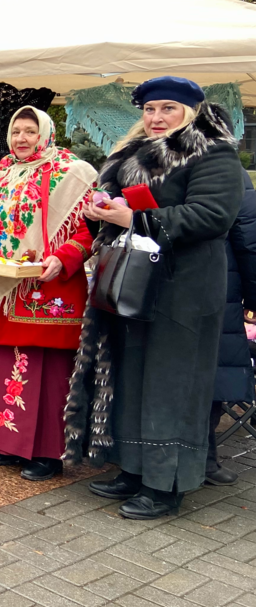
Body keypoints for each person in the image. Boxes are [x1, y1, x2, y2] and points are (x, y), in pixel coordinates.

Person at [67, 76, 244, 519]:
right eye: (150, 109)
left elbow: (213, 215)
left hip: (184, 287)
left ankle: (166, 485)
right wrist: (102, 212)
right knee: (132, 376)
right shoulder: (131, 155)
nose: (157, 117)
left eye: (168, 108)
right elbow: (121, 212)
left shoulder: (213, 150)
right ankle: (132, 468)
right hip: (134, 284)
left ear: (191, 110)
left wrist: (138, 218)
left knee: (172, 384)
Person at [0, 107, 97, 481]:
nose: (21, 138)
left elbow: (90, 232)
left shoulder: (74, 173)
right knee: (2, 362)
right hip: (4, 286)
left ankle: (48, 453)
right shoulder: (4, 173)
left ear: (46, 134)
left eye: (30, 131)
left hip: (48, 286)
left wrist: (64, 256)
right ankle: (7, 444)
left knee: (47, 372)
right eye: (16, 131)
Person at [208, 168, 256, 485]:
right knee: (210, 374)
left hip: (219, 286)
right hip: (220, 285)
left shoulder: (230, 172)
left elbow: (249, 238)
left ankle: (204, 460)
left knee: (209, 373)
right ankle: (205, 460)